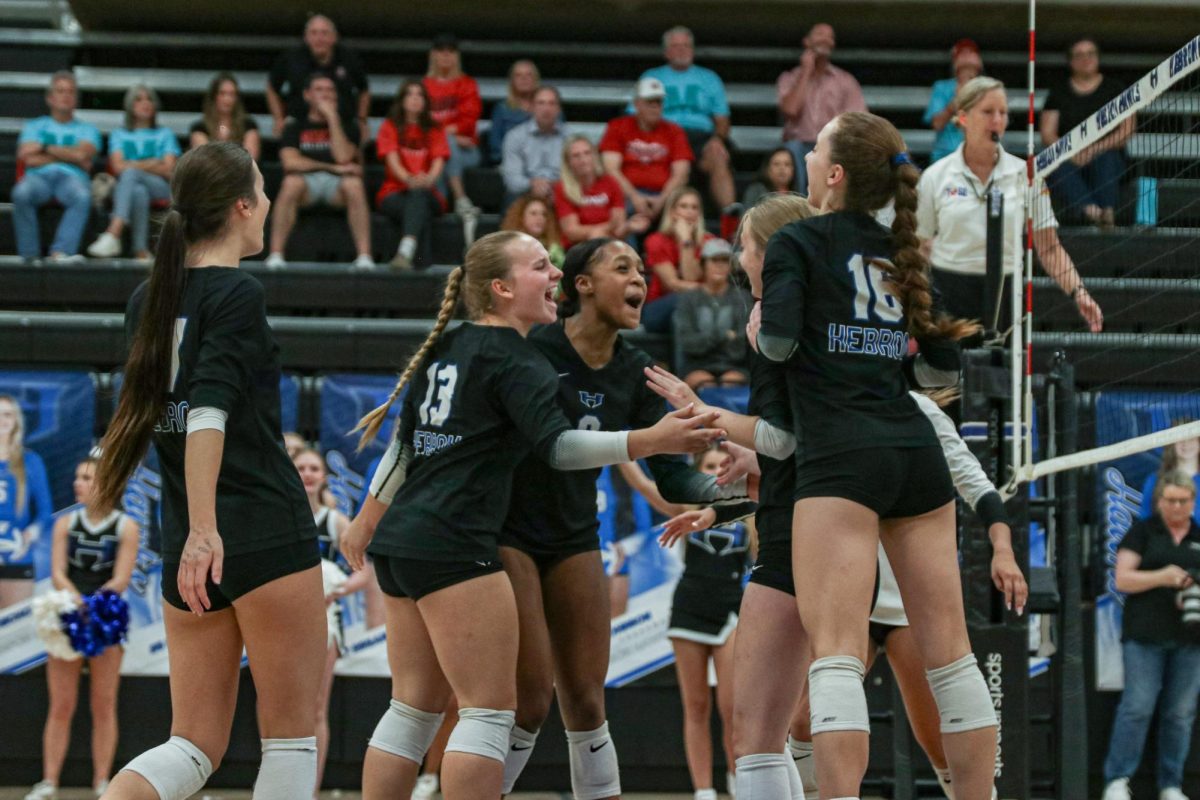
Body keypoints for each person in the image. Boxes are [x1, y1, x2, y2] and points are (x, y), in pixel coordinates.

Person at [337, 230, 723, 800]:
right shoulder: (525, 355)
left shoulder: (450, 344)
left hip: (413, 537)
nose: (555, 276)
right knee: (492, 713)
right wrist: (647, 439)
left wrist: (368, 520)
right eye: (543, 266)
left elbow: (405, 445)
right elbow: (558, 448)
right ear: (501, 287)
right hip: (472, 539)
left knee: (415, 708)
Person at [757, 111, 998, 798]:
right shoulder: (905, 251)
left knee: (835, 656)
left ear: (833, 174)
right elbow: (937, 376)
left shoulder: (798, 241)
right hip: (913, 452)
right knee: (951, 656)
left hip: (841, 458)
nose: (804, 156)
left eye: (815, 149)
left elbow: (774, 346)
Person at [93, 141, 328, 800]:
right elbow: (206, 415)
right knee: (290, 737)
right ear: (242, 205)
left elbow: (151, 416)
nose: (270, 202)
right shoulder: (237, 292)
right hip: (256, 534)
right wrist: (206, 529)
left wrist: (191, 536)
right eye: (263, 187)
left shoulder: (149, 296)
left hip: (186, 551)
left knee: (192, 744)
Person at [492, 237, 748, 800]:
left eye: (641, 270)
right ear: (581, 284)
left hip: (574, 532)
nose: (640, 281)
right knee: (531, 700)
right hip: (506, 529)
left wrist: (730, 492)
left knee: (586, 700)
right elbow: (550, 447)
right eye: (623, 268)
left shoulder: (638, 372)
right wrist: (647, 439)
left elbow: (671, 474)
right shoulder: (534, 348)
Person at [645, 192, 817, 800]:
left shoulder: (781, 323)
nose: (736, 257)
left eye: (743, 246)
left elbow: (786, 434)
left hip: (808, 530)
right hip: (807, 519)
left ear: (769, 253)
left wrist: (700, 412)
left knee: (767, 731)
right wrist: (741, 471)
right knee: (780, 727)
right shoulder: (810, 314)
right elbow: (790, 439)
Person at [784, 390, 1026, 799]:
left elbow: (977, 485)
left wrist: (1003, 549)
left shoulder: (919, 410)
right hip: (843, 597)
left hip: (904, 601)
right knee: (804, 718)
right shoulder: (820, 402)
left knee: (937, 734)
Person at [917, 77, 1104, 335]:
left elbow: (1049, 248)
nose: (997, 120)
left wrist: (1079, 292)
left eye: (1003, 113)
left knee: (1001, 372)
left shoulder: (1026, 175)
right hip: (949, 289)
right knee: (949, 374)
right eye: (988, 112)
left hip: (1006, 291)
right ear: (963, 117)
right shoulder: (935, 176)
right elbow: (919, 246)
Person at [25, 457, 140, 800]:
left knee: (103, 705)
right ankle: (49, 781)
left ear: (107, 484)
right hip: (67, 618)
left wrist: (94, 610)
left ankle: (103, 782)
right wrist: (75, 605)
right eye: (77, 476)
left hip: (105, 620)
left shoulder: (126, 527)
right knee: (61, 705)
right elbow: (58, 572)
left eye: (86, 477)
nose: (78, 483)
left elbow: (120, 578)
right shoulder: (66, 524)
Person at [659, 446, 752, 800]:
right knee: (696, 706)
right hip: (689, 609)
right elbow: (648, 486)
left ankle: (737, 781)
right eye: (708, 466)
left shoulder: (748, 510)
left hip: (731, 610)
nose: (715, 471)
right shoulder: (687, 508)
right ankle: (703, 791)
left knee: (732, 707)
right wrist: (624, 459)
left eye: (721, 465)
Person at [1102, 470, 1200, 800]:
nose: (1176, 506)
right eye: (1170, 500)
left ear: (1192, 502)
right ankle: (1117, 779)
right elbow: (1123, 580)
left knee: (1180, 714)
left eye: (1182, 501)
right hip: (1144, 635)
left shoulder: (1198, 535)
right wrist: (1164, 577)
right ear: (1159, 502)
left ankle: (1171, 785)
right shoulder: (1142, 532)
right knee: (1137, 707)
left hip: (1191, 638)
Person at [292, 447, 369, 798]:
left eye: (314, 468)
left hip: (324, 620)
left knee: (317, 706)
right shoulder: (281, 516)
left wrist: (336, 590)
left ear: (323, 476)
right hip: (283, 619)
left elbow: (365, 568)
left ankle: (310, 789)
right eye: (301, 467)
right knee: (278, 704)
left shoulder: (334, 520)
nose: (307, 473)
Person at [266, 73, 374, 270]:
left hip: (338, 188)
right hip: (307, 185)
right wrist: (331, 167)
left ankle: (364, 257)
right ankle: (275, 255)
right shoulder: (295, 126)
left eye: (330, 90)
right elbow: (290, 163)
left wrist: (332, 118)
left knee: (355, 185)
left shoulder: (350, 126)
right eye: (319, 89)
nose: (326, 94)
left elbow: (343, 157)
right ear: (307, 95)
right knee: (290, 183)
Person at [635, 26, 735, 211]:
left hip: (700, 136)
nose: (682, 50)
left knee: (718, 154)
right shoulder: (651, 76)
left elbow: (722, 119)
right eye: (675, 46)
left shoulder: (709, 78)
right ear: (666, 52)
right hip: (663, 135)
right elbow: (635, 114)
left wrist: (717, 139)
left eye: (686, 46)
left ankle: (731, 220)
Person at [1040, 37, 1133, 228]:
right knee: (1055, 165)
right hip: (1069, 158)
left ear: (1098, 58)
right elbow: (1048, 133)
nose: (1086, 59)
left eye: (1090, 54)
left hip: (1107, 155)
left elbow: (1127, 130)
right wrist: (1072, 152)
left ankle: (1108, 211)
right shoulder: (1058, 93)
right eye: (1079, 55)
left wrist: (1095, 149)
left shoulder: (1114, 89)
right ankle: (1093, 212)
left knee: (1107, 158)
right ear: (1071, 61)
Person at [12, 70, 99, 263]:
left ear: (76, 98)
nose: (66, 96)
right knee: (21, 193)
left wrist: (43, 148)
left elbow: (83, 155)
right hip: (38, 178)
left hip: (72, 179)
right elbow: (27, 158)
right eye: (60, 91)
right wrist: (70, 156)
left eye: (70, 92)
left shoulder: (88, 129)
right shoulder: (34, 126)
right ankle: (29, 256)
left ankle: (61, 252)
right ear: (50, 98)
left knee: (82, 196)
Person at [87, 85, 179, 262]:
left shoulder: (164, 134)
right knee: (138, 190)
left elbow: (169, 169)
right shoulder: (119, 134)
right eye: (139, 99)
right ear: (130, 106)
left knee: (131, 174)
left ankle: (113, 233)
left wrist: (134, 165)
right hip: (130, 187)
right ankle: (140, 251)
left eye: (149, 99)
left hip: (161, 186)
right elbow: (117, 167)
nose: (145, 103)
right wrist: (152, 163)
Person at [776, 24, 866, 194]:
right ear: (806, 41)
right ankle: (799, 205)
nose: (825, 39)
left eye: (830, 36)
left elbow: (858, 121)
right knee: (792, 151)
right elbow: (790, 110)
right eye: (819, 34)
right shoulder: (789, 77)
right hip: (798, 145)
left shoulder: (845, 80)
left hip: (833, 144)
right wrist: (806, 72)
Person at [375, 80, 450, 271]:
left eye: (420, 95)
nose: (415, 99)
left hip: (427, 191)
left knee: (419, 197)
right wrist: (409, 180)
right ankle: (420, 267)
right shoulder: (389, 126)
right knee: (419, 209)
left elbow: (438, 162)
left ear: (425, 101)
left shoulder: (436, 128)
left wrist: (427, 180)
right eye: (410, 94)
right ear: (401, 100)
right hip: (394, 192)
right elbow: (392, 161)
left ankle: (405, 252)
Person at [599, 78, 693, 225]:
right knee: (619, 214)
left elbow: (681, 174)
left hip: (664, 195)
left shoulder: (675, 131)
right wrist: (635, 197)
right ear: (637, 104)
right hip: (626, 194)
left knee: (684, 210)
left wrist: (662, 199)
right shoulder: (617, 127)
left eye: (659, 102)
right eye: (650, 102)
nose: (655, 107)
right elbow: (611, 169)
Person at [267, 14, 369, 138]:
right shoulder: (290, 58)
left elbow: (364, 90)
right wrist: (278, 118)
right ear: (306, 37)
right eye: (314, 33)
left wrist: (362, 120)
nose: (319, 38)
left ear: (334, 37)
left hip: (343, 122)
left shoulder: (349, 59)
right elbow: (272, 88)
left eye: (324, 33)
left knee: (358, 134)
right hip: (300, 122)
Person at [673, 238, 751, 389]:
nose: (720, 265)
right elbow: (687, 341)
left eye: (724, 260)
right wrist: (726, 335)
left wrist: (707, 339)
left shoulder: (743, 297)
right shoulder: (689, 298)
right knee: (704, 383)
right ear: (703, 264)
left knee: (731, 383)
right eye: (714, 260)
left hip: (734, 364)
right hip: (696, 364)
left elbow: (742, 343)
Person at [423, 34, 484, 227]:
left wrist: (444, 135)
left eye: (450, 52)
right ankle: (458, 203)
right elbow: (419, 123)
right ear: (433, 55)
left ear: (456, 56)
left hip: (467, 151)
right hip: (435, 150)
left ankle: (453, 201)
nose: (446, 56)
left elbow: (469, 121)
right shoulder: (424, 86)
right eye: (441, 51)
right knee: (445, 145)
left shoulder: (467, 83)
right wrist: (449, 135)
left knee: (445, 146)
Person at [0, 394, 53, 608]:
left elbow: (45, 511)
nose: (2, 420)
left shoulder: (30, 461)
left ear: (16, 421)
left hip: (16, 556)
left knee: (12, 636)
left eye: (7, 414)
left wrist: (28, 535)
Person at [641, 186, 713, 334]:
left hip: (695, 308)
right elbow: (672, 285)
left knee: (682, 316)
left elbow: (690, 276)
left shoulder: (709, 242)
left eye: (694, 207)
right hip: (658, 309)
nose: (689, 212)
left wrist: (686, 240)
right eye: (683, 206)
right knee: (684, 302)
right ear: (672, 212)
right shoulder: (655, 241)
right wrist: (686, 240)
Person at [554, 135, 642, 249]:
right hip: (578, 246)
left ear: (595, 156)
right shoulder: (562, 188)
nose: (583, 160)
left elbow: (619, 225)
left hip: (611, 242)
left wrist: (629, 226)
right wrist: (603, 229)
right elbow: (572, 232)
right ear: (568, 162)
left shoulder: (610, 182)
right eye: (576, 156)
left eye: (587, 153)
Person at [501, 86, 569, 207]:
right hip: (525, 192)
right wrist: (532, 184)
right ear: (532, 107)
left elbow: (578, 176)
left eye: (552, 103)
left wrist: (555, 186)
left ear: (558, 109)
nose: (546, 109)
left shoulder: (570, 138)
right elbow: (512, 181)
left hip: (561, 192)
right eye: (541, 103)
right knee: (511, 197)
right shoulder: (515, 136)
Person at [924, 39, 984, 164]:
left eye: (971, 52)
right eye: (962, 53)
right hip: (945, 156)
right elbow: (937, 124)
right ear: (954, 62)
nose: (967, 56)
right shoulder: (941, 87)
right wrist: (958, 99)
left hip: (978, 154)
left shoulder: (987, 88)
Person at [189, 72, 261, 161]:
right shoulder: (200, 127)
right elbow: (204, 159)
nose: (227, 99)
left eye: (232, 94)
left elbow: (251, 158)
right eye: (222, 93)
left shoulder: (249, 125)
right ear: (214, 96)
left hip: (242, 173)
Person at [488, 60, 540, 165]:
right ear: (512, 81)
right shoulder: (502, 109)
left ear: (535, 80)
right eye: (518, 75)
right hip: (511, 163)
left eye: (528, 75)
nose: (524, 78)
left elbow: (560, 140)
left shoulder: (549, 106)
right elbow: (495, 145)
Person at [1141, 432, 1200, 523]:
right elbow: (1145, 520)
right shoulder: (1154, 480)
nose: (1186, 444)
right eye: (1180, 439)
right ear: (1172, 444)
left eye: (1191, 439)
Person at [500, 193, 564, 267]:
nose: (540, 218)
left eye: (544, 214)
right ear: (521, 218)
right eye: (533, 213)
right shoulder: (509, 246)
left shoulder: (554, 248)